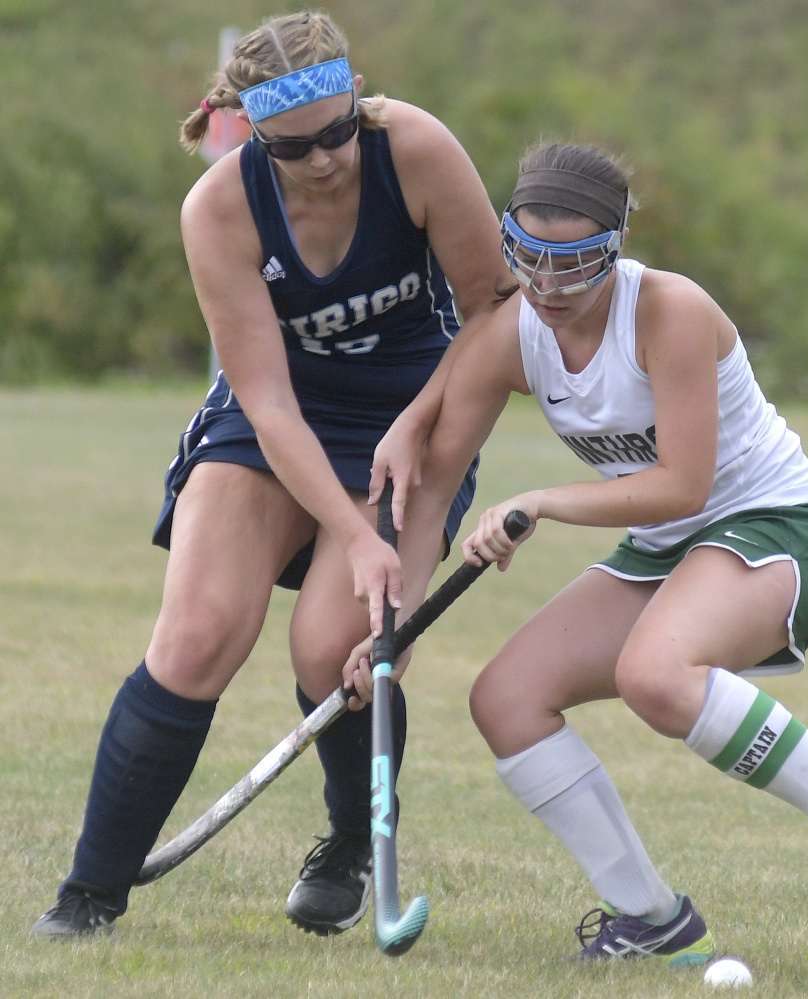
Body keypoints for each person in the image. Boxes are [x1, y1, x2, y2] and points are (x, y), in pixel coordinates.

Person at [350, 141, 808, 963]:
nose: (547, 285)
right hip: (664, 550)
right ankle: (649, 917)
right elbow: (434, 488)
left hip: (774, 528)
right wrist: (394, 630)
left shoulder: (669, 310)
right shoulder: (515, 332)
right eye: (527, 257)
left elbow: (684, 486)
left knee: (654, 674)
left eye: (573, 263)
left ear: (615, 245)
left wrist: (543, 500)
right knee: (506, 699)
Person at [30, 10, 508, 939]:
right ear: (249, 130)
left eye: (337, 132)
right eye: (294, 146)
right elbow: (268, 402)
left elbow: (495, 314)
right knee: (197, 634)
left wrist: (415, 445)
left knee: (335, 647)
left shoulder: (414, 148)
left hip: (412, 413)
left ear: (355, 100)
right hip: (274, 420)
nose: (324, 159)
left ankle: (349, 842)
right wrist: (356, 533)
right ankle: (89, 893)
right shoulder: (219, 209)